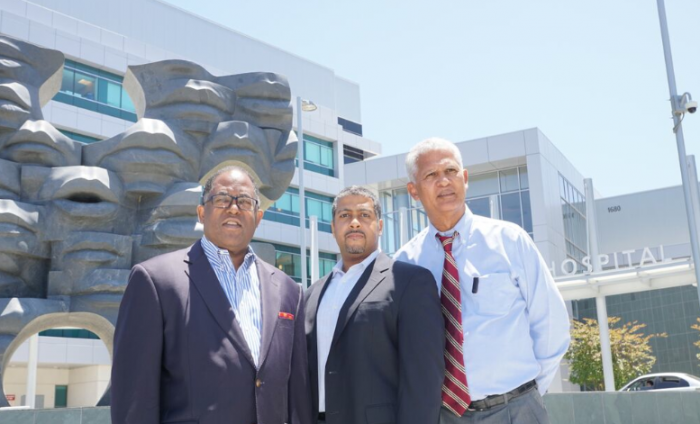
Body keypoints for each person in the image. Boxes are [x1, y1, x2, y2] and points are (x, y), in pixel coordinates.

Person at [111, 166, 312, 424]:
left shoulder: (288, 290)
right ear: (201, 212)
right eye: (222, 199)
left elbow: (297, 394)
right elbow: (134, 398)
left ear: (258, 216)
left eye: (244, 201)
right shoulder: (155, 281)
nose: (233, 208)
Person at [394, 138, 571, 424]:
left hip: (518, 409)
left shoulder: (510, 240)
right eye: (431, 175)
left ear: (465, 179)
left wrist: (529, 393)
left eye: (451, 171)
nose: (443, 181)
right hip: (445, 415)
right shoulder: (404, 262)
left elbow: (551, 324)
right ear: (413, 191)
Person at [305, 186, 445, 424]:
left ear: (380, 226)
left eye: (364, 215)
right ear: (333, 228)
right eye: (345, 215)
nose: (355, 222)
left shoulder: (409, 282)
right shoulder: (311, 294)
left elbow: (424, 380)